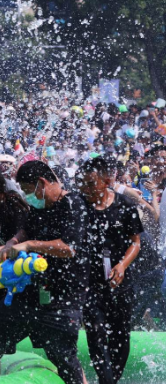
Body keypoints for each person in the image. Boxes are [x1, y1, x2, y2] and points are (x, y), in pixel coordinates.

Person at [0, 160, 88, 384]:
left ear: (42, 183)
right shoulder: (39, 207)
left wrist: (30, 245)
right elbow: (26, 229)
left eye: (28, 191)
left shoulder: (73, 204)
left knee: (64, 358)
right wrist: (11, 243)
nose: (27, 196)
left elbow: (69, 248)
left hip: (61, 299)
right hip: (27, 293)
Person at [77, 157, 143, 384]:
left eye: (90, 184)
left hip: (120, 281)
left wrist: (122, 265)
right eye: (82, 184)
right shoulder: (80, 205)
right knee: (95, 333)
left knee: (121, 335)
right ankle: (105, 380)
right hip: (90, 283)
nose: (85, 189)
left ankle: (111, 380)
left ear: (106, 181)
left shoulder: (125, 205)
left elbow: (136, 242)